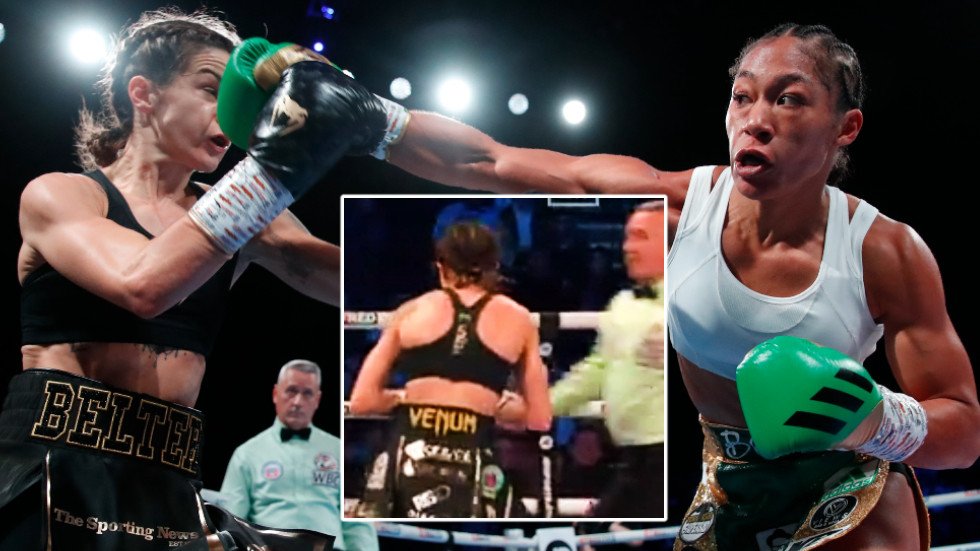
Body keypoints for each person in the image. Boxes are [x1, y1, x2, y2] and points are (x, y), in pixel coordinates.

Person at [230, 23, 980, 549]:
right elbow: (490, 162)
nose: (755, 120)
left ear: (844, 128)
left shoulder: (884, 251)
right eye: (743, 97)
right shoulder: (679, 205)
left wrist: (877, 415)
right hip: (730, 486)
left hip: (850, 488)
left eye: (788, 99)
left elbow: (964, 429)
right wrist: (374, 121)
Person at [0, 7, 362, 550]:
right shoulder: (61, 195)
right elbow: (142, 284)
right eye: (212, 88)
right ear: (144, 94)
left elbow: (351, 282)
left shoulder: (242, 214)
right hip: (55, 464)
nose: (236, 115)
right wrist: (280, 161)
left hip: (169, 478)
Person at [348, 220, 552, 518]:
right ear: (493, 265)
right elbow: (539, 417)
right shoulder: (518, 320)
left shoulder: (412, 312)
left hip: (408, 454)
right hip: (473, 459)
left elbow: (362, 401)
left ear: (441, 266)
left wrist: (402, 397)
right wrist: (493, 404)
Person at [549, 201, 666, 519]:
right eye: (627, 236)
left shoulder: (694, 301)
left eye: (640, 236)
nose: (627, 247)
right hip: (633, 456)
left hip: (677, 456)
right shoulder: (622, 305)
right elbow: (597, 369)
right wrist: (543, 405)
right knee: (597, 536)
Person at [220, 360, 379, 551]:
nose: (297, 401)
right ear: (275, 394)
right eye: (291, 391)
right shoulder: (247, 454)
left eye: (307, 393)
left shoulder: (339, 450)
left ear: (317, 400)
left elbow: (357, 522)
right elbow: (231, 523)